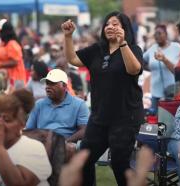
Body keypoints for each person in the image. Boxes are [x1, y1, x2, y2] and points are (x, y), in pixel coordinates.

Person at [61, 11, 144, 186]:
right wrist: (68, 37)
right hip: (99, 117)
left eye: (115, 24)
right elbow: (73, 59)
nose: (110, 27)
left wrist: (123, 44)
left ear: (124, 29)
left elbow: (134, 69)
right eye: (107, 24)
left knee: (119, 164)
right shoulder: (97, 50)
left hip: (125, 118)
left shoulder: (133, 49)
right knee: (83, 159)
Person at [0, 89, 52, 186]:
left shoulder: (34, 148)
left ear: (21, 124)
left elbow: (19, 183)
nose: (0, 124)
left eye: (7, 120)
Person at [26, 69, 90, 143]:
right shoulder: (39, 105)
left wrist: (64, 143)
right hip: (42, 146)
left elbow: (85, 130)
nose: (48, 87)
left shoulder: (79, 104)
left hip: (67, 146)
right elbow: (29, 130)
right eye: (47, 83)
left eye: (52, 83)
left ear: (64, 86)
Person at [143, 24, 180, 114]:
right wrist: (149, 68)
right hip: (155, 92)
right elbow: (141, 60)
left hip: (172, 91)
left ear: (166, 34)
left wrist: (165, 60)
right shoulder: (152, 48)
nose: (157, 36)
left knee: (170, 119)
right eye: (155, 34)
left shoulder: (176, 47)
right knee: (155, 121)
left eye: (160, 33)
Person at [0, 19, 26, 89]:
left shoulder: (12, 43)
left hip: (15, 79)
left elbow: (15, 62)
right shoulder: (3, 43)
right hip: (5, 78)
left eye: (0, 32)